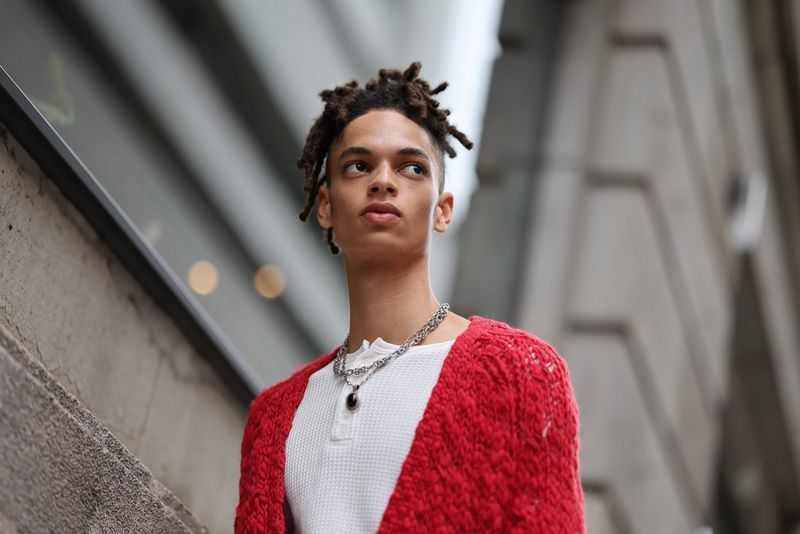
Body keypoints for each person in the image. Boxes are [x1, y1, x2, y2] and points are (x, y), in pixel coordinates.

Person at [235, 62, 585, 533]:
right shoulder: (272, 417)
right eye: (358, 166)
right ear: (326, 206)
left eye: (412, 168)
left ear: (442, 211)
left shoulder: (521, 374)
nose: (383, 181)